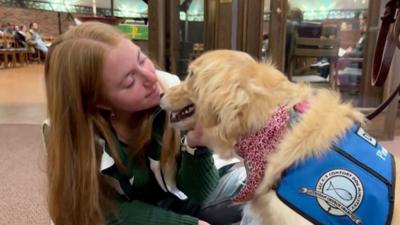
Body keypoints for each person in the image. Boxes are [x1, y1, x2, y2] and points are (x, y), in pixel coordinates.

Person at [44, 22, 246, 225]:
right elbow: (94, 210)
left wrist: (197, 144)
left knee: (266, 186)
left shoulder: (170, 88)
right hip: (126, 216)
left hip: (176, 197)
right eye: (130, 81)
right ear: (100, 102)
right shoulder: (73, 133)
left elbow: (199, 193)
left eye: (142, 59)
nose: (151, 77)